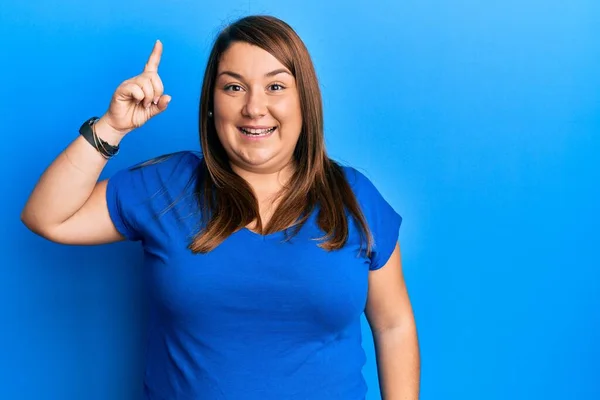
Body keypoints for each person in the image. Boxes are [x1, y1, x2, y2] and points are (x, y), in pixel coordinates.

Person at [21, 15, 420, 400]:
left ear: (305, 101)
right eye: (233, 88)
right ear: (211, 104)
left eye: (276, 87)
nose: (254, 107)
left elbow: (393, 324)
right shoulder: (167, 186)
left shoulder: (353, 196)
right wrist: (112, 126)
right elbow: (47, 217)